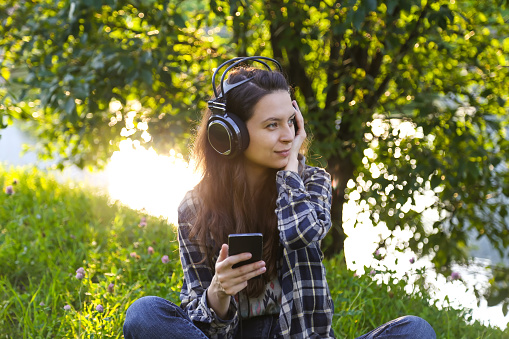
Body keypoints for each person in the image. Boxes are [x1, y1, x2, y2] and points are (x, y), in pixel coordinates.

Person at [123, 57, 436, 339]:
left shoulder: (311, 181)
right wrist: (218, 292)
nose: (288, 136)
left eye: (290, 122)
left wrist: (290, 174)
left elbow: (304, 233)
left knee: (416, 331)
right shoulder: (194, 208)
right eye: (272, 125)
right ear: (231, 135)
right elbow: (201, 327)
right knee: (144, 313)